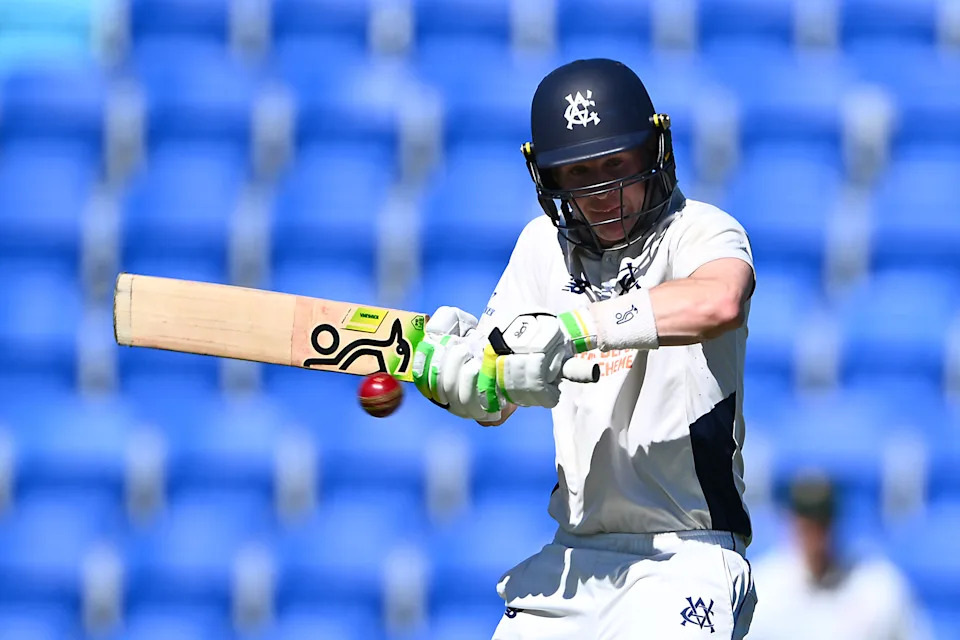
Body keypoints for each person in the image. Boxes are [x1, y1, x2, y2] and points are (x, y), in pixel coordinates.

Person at [412, 58, 758, 639]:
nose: (604, 195)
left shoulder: (701, 230)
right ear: (550, 180)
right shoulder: (540, 247)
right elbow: (496, 397)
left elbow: (719, 301)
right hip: (572, 559)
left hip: (685, 556)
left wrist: (578, 328)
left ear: (654, 151)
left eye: (617, 166)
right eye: (579, 175)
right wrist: (465, 384)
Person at [748, 473, 932, 640]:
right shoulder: (762, 590)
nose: (816, 538)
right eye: (807, 527)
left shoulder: (879, 587)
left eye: (822, 525)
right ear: (792, 523)